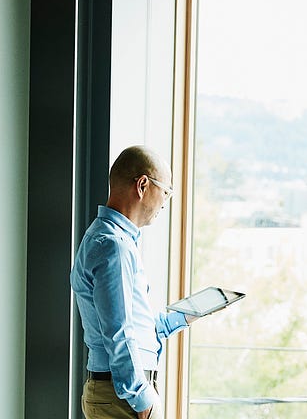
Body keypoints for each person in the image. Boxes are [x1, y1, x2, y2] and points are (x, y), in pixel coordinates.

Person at [71, 146, 193, 419]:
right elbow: (119, 332)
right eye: (167, 192)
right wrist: (142, 399)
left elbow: (136, 327)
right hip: (122, 396)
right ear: (142, 185)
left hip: (119, 393)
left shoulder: (112, 241)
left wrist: (184, 317)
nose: (165, 201)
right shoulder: (114, 247)